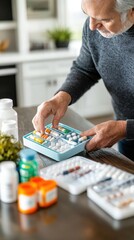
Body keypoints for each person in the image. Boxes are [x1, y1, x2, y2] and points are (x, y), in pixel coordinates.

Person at [32, 0, 134, 160]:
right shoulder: (93, 28)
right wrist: (61, 97)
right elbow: (85, 69)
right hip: (125, 134)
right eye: (88, 15)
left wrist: (126, 128)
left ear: (131, 11)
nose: (92, 26)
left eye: (105, 19)